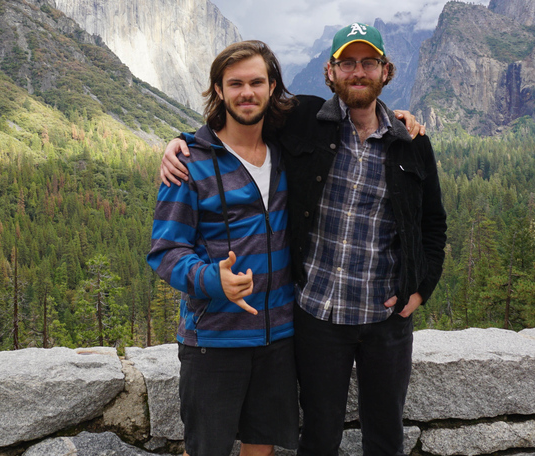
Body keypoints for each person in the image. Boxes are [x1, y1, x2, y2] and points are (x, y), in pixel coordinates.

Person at [161, 23, 447, 456]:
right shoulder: (306, 122)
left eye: (368, 62)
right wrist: (181, 143)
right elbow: (237, 124)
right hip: (308, 319)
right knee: (313, 436)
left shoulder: (410, 143)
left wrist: (422, 289)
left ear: (386, 71)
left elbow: (432, 225)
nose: (358, 72)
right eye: (347, 63)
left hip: (373, 320)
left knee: (384, 436)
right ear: (329, 73)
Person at [147, 40, 299, 456]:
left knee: (260, 447)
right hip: (213, 340)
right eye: (235, 84)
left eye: (256, 82)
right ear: (218, 89)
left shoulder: (291, 152)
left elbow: (350, 117)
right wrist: (213, 279)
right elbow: (165, 251)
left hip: (278, 337)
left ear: (272, 87)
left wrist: (400, 120)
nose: (246, 92)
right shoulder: (189, 164)